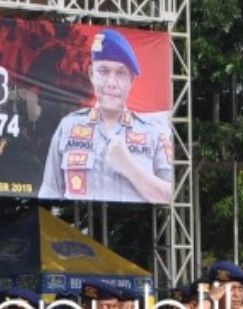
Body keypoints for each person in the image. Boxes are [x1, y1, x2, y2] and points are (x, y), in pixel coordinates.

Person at [36, 29, 175, 203]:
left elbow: (171, 196)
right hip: (74, 227)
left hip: (134, 228)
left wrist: (128, 166)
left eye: (121, 73)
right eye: (103, 71)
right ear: (91, 74)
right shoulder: (68, 127)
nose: (111, 83)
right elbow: (49, 193)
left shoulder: (153, 132)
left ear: (131, 80)